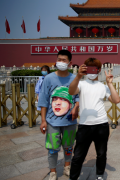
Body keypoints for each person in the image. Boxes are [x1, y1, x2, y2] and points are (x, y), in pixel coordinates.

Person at [69, 58, 120, 180]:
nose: (92, 72)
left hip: (101, 124)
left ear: (99, 70)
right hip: (84, 125)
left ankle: (99, 175)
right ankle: (73, 177)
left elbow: (116, 100)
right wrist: (78, 76)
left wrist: (109, 83)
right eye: (89, 68)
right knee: (78, 155)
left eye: (94, 69)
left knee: (101, 153)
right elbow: (71, 92)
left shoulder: (102, 86)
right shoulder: (81, 84)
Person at [38, 50, 79, 180]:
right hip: (52, 122)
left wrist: (76, 107)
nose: (61, 62)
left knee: (68, 147)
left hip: (70, 121)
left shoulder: (74, 78)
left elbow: (78, 97)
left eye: (64, 60)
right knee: (52, 148)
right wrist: (43, 120)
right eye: (59, 59)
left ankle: (67, 167)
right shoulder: (49, 78)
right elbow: (44, 100)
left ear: (70, 63)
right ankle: (53, 172)